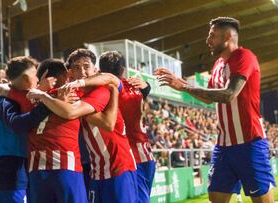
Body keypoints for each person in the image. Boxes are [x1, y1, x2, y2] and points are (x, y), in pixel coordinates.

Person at [155, 17, 276, 203]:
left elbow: (229, 95)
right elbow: (207, 97)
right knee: (216, 197)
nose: (207, 40)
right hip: (223, 146)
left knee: (260, 199)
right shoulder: (218, 65)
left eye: (212, 36)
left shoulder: (245, 57)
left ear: (227, 37)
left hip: (249, 143)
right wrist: (181, 85)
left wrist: (185, 88)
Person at [27, 49, 138, 203]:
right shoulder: (72, 94)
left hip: (118, 167)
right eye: (77, 68)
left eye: (86, 66)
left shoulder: (102, 90)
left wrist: (44, 95)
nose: (82, 71)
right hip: (97, 171)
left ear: (95, 69)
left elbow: (106, 123)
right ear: (71, 72)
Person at [0, 56, 52, 203]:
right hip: (9, 169)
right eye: (35, 75)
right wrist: (46, 106)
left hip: (20, 167)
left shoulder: (18, 98)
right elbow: (17, 125)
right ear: (25, 77)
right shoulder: (6, 101)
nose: (37, 79)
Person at [98, 51, 155, 203]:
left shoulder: (110, 90)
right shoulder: (135, 85)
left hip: (130, 156)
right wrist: (147, 87)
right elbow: (145, 90)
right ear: (122, 69)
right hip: (145, 153)